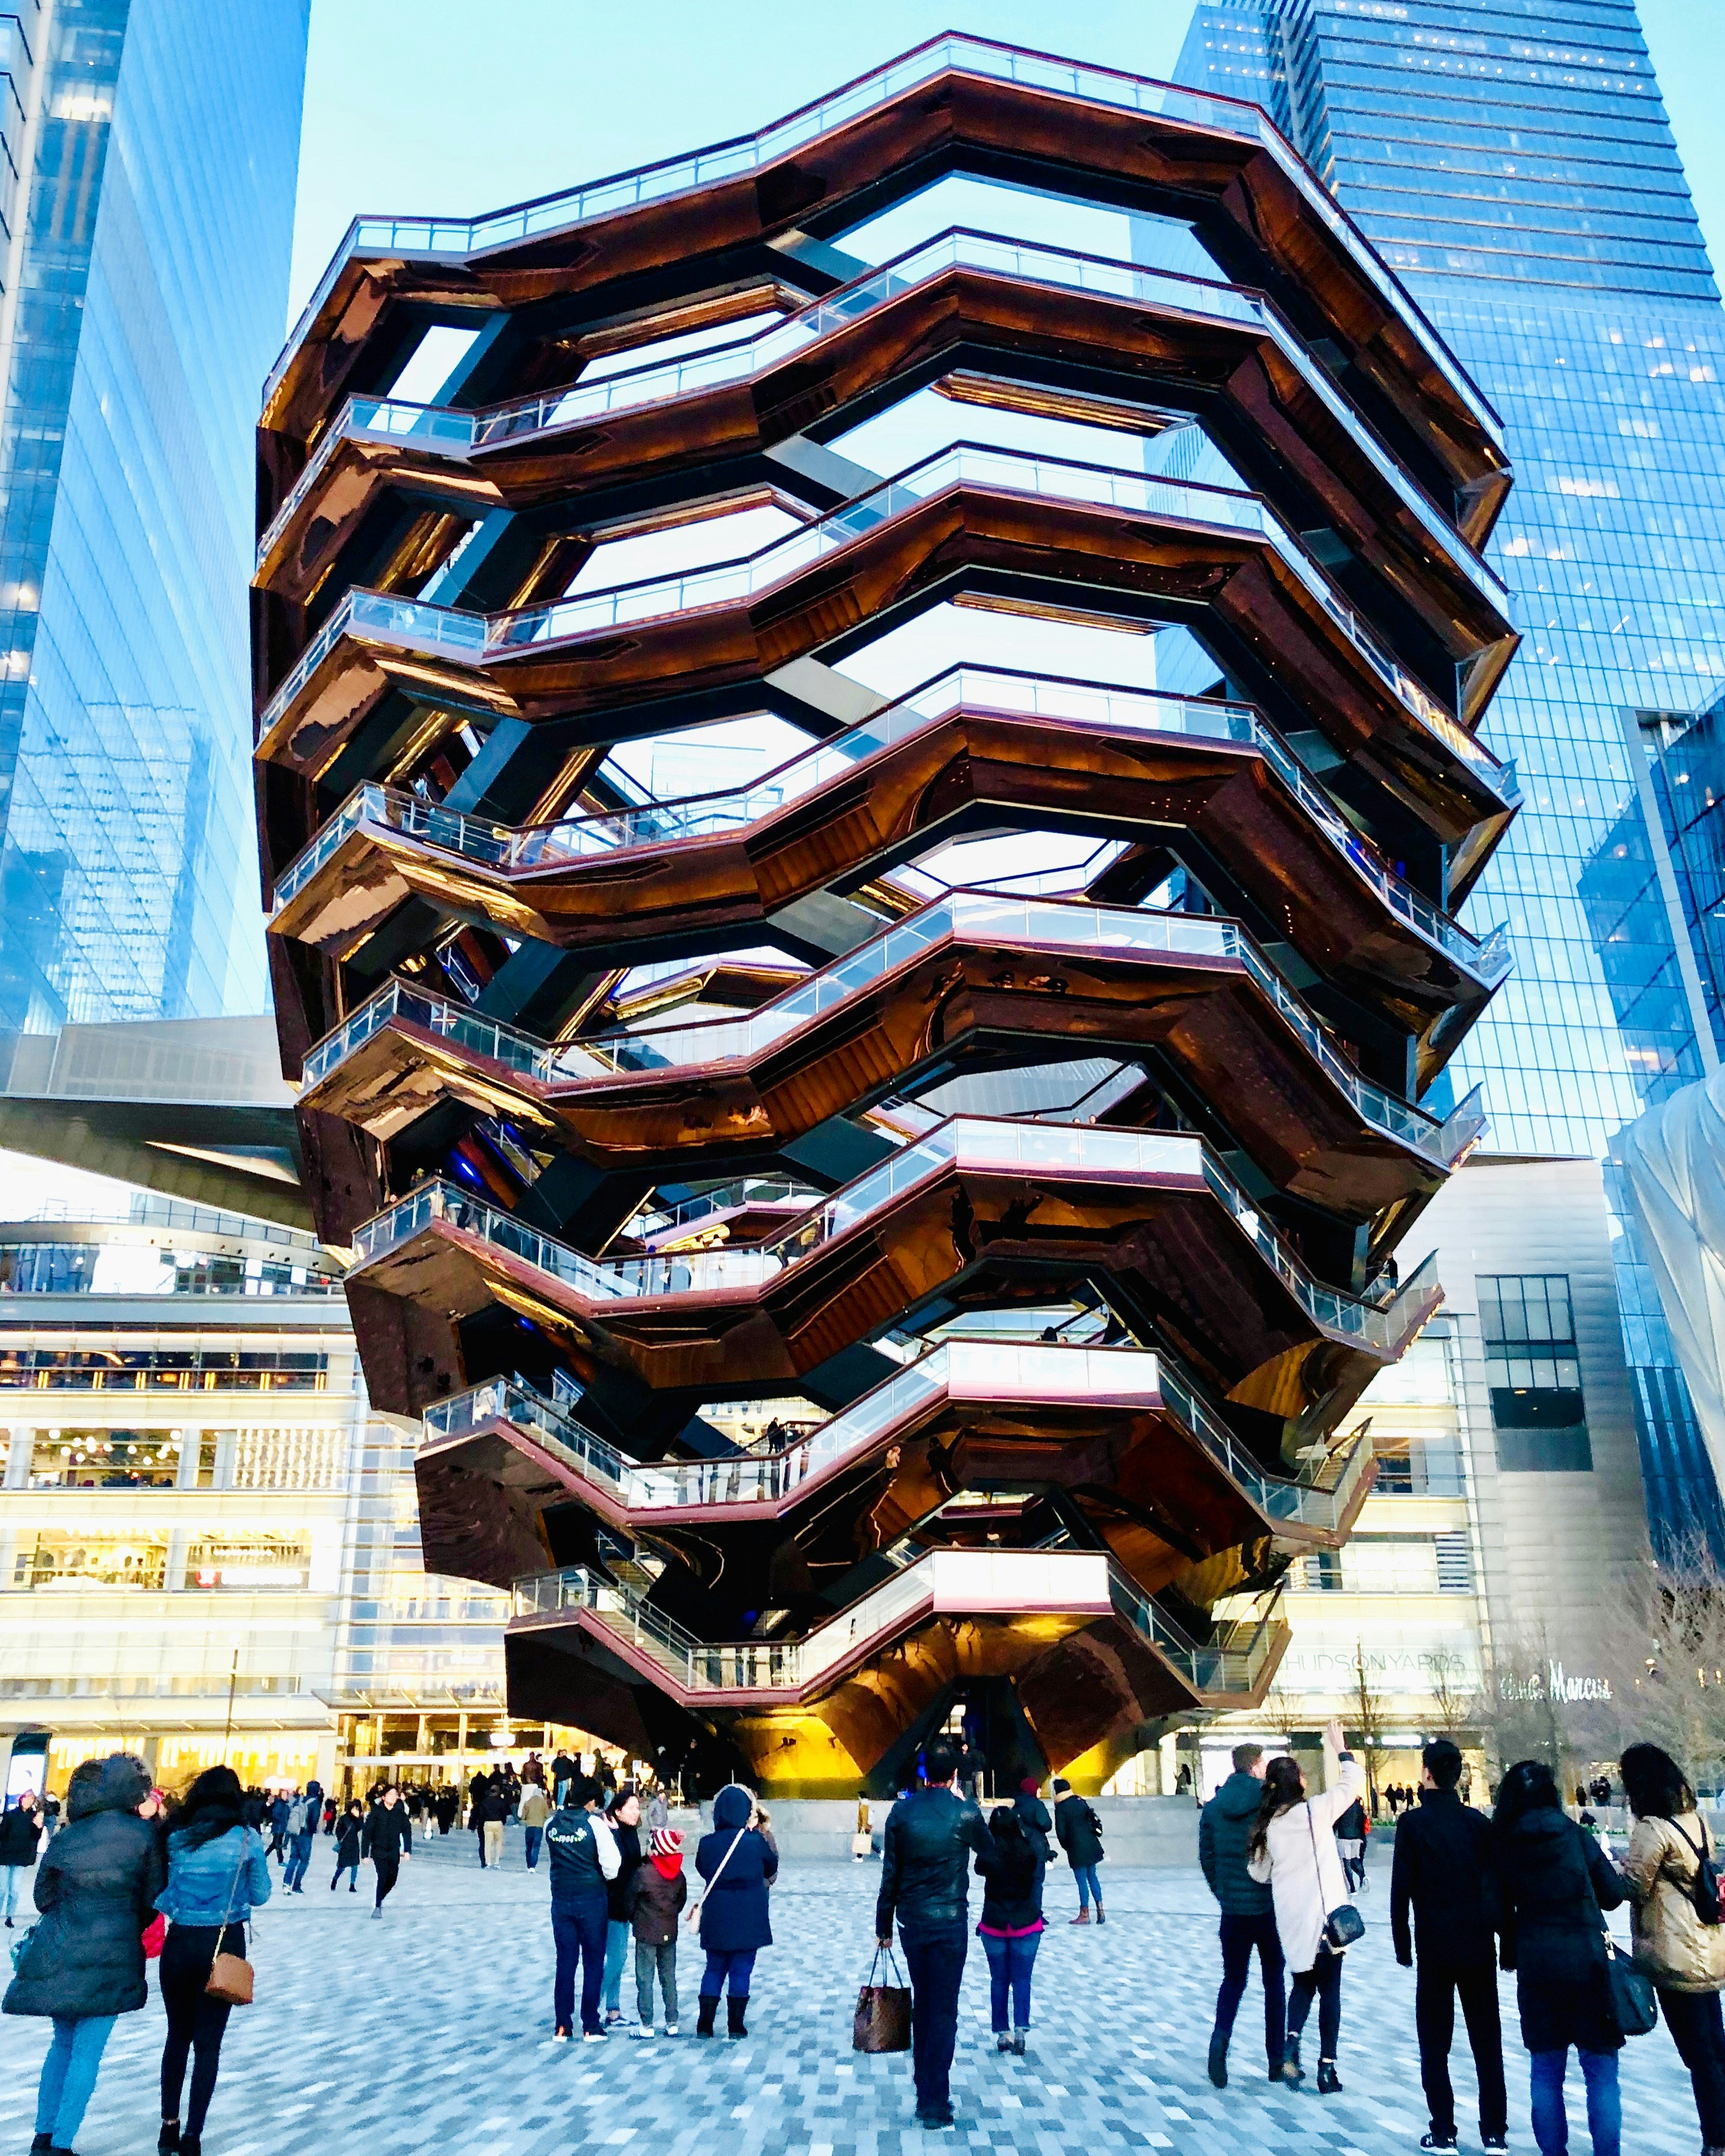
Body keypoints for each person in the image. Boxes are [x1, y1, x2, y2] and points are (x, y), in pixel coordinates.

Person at [3, 1754, 164, 2156]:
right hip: (113, 1956)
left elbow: (43, 1899)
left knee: (62, 2045)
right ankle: (62, 2143)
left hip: (60, 1951)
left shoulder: (67, 1836)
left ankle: (42, 2136)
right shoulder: (142, 1836)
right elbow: (153, 1899)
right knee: (87, 2052)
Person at [1495, 1757, 1627, 2156]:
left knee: (1546, 2072)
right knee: (1601, 2072)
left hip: (1537, 1966)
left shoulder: (1504, 1846)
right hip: (1588, 1962)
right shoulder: (1575, 1835)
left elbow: (1497, 1912)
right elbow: (1612, 1895)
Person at [1391, 1737, 1508, 2153]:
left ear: (1426, 1775)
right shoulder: (1479, 1825)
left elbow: (1400, 1889)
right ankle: (1495, 2131)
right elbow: (1497, 1888)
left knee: (1435, 2041)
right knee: (1486, 2039)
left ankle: (1444, 2129)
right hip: (1478, 1945)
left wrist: (1401, 1941)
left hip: (1435, 1948)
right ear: (1458, 1776)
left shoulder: (1412, 1825)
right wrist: (1506, 1941)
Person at [153, 1764, 271, 2156]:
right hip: (225, 1944)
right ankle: (193, 2137)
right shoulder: (246, 1839)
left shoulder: (177, 1837)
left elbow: (161, 1893)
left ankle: (169, 2127)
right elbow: (261, 1895)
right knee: (209, 2045)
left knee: (177, 2037)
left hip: (181, 1941)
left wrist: (184, 1904)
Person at [876, 1735, 992, 2128]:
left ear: (923, 1772)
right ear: (955, 1773)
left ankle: (924, 2085)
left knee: (924, 2002)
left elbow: (890, 1873)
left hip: (912, 1922)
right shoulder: (966, 1813)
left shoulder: (902, 1814)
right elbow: (990, 1858)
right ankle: (934, 2100)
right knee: (943, 2008)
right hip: (949, 1922)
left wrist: (883, 1925)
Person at [1248, 1717, 1366, 2094]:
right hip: (1328, 1919)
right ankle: (1327, 2069)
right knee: (1330, 1992)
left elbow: (1259, 1874)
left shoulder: (1269, 1827)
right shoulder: (1315, 1812)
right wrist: (1341, 1749)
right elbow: (1351, 1784)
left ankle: (1291, 2046)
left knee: (1301, 1987)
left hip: (1294, 1921)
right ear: (1298, 1782)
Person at [1619, 1740, 1725, 2154]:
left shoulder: (1651, 1829)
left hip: (1675, 1954)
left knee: (1701, 2057)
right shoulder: (1695, 1821)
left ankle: (1716, 2142)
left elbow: (1634, 1887)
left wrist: (1616, 1867)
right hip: (1707, 1946)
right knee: (1714, 2049)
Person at [1199, 1740, 1285, 2089]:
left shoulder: (1214, 1807)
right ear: (1256, 1765)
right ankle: (1276, 2059)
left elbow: (1207, 1857)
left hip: (1232, 1912)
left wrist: (1224, 1893)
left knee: (1233, 1980)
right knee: (1273, 1984)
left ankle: (1219, 2045)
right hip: (1267, 1908)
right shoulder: (1268, 1802)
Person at [695, 1783, 776, 2039]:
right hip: (748, 1915)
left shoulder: (707, 1843)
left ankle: (705, 2025)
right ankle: (736, 2026)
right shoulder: (755, 1842)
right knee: (741, 1970)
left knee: (714, 1968)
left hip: (716, 1915)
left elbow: (702, 1869)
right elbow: (771, 1866)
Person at [546, 1776, 619, 2041]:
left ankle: (562, 2025)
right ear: (591, 1800)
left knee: (565, 1963)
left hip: (561, 1901)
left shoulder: (551, 1824)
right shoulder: (594, 1826)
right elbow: (613, 1868)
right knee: (593, 1963)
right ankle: (591, 2024)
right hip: (591, 1902)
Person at [974, 1803, 1044, 2055]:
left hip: (994, 1923)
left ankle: (1002, 2033)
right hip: (1026, 1922)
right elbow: (1036, 1881)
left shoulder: (989, 1852)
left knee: (999, 1980)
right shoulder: (1029, 1850)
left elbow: (978, 1869)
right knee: (1023, 1979)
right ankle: (1021, 2031)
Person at [625, 1826, 686, 2038]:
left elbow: (630, 1902)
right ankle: (672, 2021)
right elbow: (681, 1902)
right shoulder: (678, 1875)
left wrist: (636, 1919)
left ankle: (647, 2024)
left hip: (646, 1932)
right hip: (669, 1930)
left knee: (645, 1977)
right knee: (669, 1977)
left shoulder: (643, 1873)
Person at [602, 1789, 643, 2026]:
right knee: (617, 1958)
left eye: (638, 1808)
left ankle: (613, 2010)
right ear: (618, 1811)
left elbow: (633, 1866)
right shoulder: (610, 1833)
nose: (637, 1812)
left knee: (616, 1958)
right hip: (611, 1905)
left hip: (626, 1905)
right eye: (632, 1808)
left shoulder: (630, 1832)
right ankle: (591, 2003)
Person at [1051, 1776, 1106, 1924]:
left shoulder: (1061, 1808)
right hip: (1091, 1845)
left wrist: (1068, 1847)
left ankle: (1085, 1914)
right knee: (1093, 1877)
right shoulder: (1080, 1801)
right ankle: (1100, 1910)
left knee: (1082, 1881)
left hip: (1077, 1848)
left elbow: (1061, 1833)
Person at [360, 1784, 412, 1918]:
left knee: (392, 1879)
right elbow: (367, 1834)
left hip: (394, 1850)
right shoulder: (376, 1813)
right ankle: (378, 1906)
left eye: (395, 1795)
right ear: (383, 1797)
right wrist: (365, 1854)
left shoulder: (399, 1814)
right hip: (379, 1850)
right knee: (382, 1877)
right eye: (390, 1794)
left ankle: (380, 1898)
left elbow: (407, 1831)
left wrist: (407, 1849)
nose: (393, 1797)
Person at [0, 1789, 44, 1926]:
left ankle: (10, 1917)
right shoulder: (11, 1815)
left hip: (21, 1857)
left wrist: (39, 1827)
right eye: (26, 1799)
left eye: (31, 1800)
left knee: (14, 1890)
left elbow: (35, 1838)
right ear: (21, 1799)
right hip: (5, 1856)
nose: (28, 1802)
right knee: (2, 1889)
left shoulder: (34, 1817)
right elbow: (2, 1834)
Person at [1334, 1790, 1368, 1895]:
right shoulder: (1358, 1807)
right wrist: (1363, 1837)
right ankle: (1363, 1879)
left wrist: (1333, 1832)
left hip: (1344, 1837)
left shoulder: (1342, 1806)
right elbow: (1362, 1822)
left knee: (1347, 1863)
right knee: (1355, 1859)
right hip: (1357, 1838)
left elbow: (1336, 1822)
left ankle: (1352, 1888)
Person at [281, 1789, 315, 1894]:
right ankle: (297, 1885)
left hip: (295, 1832)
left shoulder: (301, 1800)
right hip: (305, 1835)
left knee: (294, 1858)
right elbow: (313, 1820)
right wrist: (311, 1831)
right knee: (304, 1861)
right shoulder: (314, 1802)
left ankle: (287, 1883)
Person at [330, 1800, 363, 1890]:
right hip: (345, 1845)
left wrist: (359, 1818)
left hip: (354, 1845)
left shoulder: (358, 1819)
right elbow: (338, 1830)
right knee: (342, 1866)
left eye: (357, 1809)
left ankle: (352, 1885)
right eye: (354, 1808)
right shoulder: (344, 1818)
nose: (355, 1810)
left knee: (355, 1866)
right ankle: (335, 1880)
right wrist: (341, 1840)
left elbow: (361, 1828)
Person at [519, 1775, 552, 1869]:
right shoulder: (543, 1803)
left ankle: (529, 1863)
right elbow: (547, 1815)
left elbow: (523, 1816)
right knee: (536, 1847)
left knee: (528, 1846)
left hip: (529, 1827)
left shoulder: (528, 1802)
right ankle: (533, 1866)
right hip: (539, 1827)